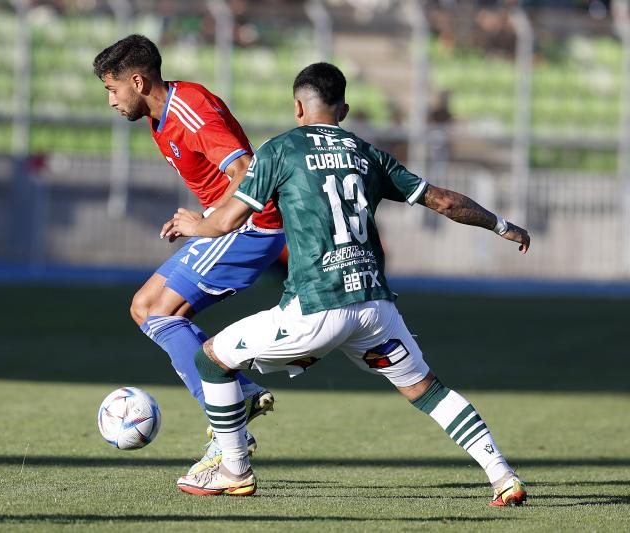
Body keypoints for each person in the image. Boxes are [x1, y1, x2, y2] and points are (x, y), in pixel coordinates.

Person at [170, 62, 531, 506]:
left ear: (298, 106)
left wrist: (194, 224)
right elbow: (444, 200)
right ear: (343, 108)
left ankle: (233, 469)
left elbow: (228, 219)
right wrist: (500, 225)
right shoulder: (367, 154)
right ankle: (503, 475)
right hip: (374, 307)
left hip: (317, 307)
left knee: (210, 360)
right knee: (428, 390)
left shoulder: (280, 150)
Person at [92, 35, 285, 471]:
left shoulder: (188, 109)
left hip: (251, 226)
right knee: (145, 307)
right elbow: (223, 180)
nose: (110, 100)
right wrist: (206, 215)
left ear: (138, 82)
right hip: (234, 223)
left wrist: (208, 225)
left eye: (112, 89)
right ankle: (240, 395)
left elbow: (247, 172)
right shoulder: (160, 116)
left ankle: (227, 425)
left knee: (159, 311)